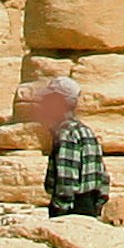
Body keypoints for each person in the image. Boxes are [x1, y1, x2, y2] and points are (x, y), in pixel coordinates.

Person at [26, 79, 108, 222]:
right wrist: (99, 203)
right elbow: (102, 174)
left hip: (72, 207)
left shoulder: (66, 133)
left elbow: (67, 177)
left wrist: (60, 209)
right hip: (89, 203)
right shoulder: (86, 130)